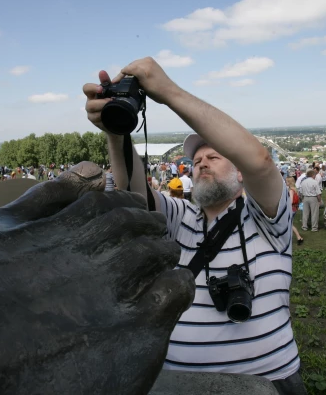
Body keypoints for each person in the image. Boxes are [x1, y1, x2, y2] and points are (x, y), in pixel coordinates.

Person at [83, 57, 305, 394]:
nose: (201, 164)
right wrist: (116, 132)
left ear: (239, 171)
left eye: (214, 157)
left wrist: (167, 91)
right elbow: (132, 196)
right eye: (196, 161)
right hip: (176, 384)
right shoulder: (180, 216)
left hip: (265, 382)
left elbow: (260, 162)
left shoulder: (266, 217)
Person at [286, 176, 303, 245]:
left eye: (286, 181)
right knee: (289, 224)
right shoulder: (295, 189)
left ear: (289, 182)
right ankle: (297, 237)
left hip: (291, 209)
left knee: (289, 224)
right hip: (294, 208)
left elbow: (291, 201)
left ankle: (298, 237)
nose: (285, 182)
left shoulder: (291, 190)